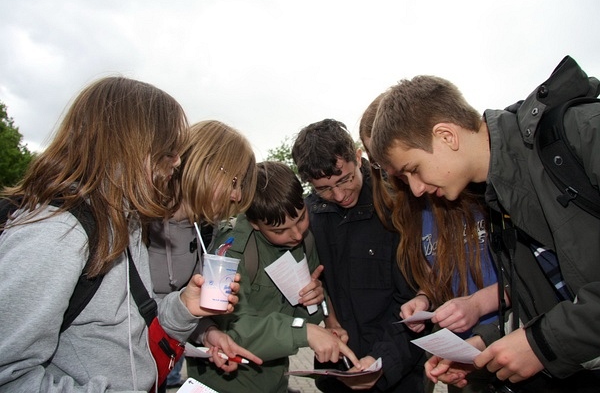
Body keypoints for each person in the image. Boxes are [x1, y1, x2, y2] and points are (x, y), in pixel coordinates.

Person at [0, 77, 242, 392]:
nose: (177, 162)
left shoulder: (125, 223)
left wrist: (184, 306)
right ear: (127, 145)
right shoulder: (58, 233)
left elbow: (130, 328)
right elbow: (10, 375)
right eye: (168, 151)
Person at [370, 60, 600, 392]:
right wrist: (485, 346)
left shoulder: (584, 133)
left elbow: (549, 329)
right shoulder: (498, 198)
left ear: (446, 135)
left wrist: (541, 344)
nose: (416, 189)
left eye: (414, 169)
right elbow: (545, 302)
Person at [360, 94, 500, 393]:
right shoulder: (413, 209)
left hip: (514, 340)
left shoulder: (484, 191)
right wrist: (425, 297)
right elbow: (439, 269)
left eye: (402, 166)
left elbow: (539, 277)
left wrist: (479, 303)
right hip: (462, 355)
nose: (392, 174)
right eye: (381, 165)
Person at [190, 161, 361, 393]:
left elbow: (300, 319)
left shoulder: (305, 243)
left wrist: (317, 303)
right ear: (254, 223)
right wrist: (305, 332)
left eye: (301, 218)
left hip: (275, 380)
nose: (297, 234)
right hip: (224, 383)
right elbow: (236, 330)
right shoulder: (230, 251)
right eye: (280, 231)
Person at [291, 119, 425, 393]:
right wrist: (322, 315)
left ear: (358, 156)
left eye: (345, 179)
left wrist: (381, 362)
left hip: (398, 372)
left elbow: (415, 301)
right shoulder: (307, 219)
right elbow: (311, 290)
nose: (339, 195)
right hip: (337, 371)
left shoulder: (398, 205)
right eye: (324, 189)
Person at [147, 120, 261, 389]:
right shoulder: (140, 223)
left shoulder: (202, 233)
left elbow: (172, 303)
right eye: (234, 181)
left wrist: (207, 332)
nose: (237, 195)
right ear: (203, 164)